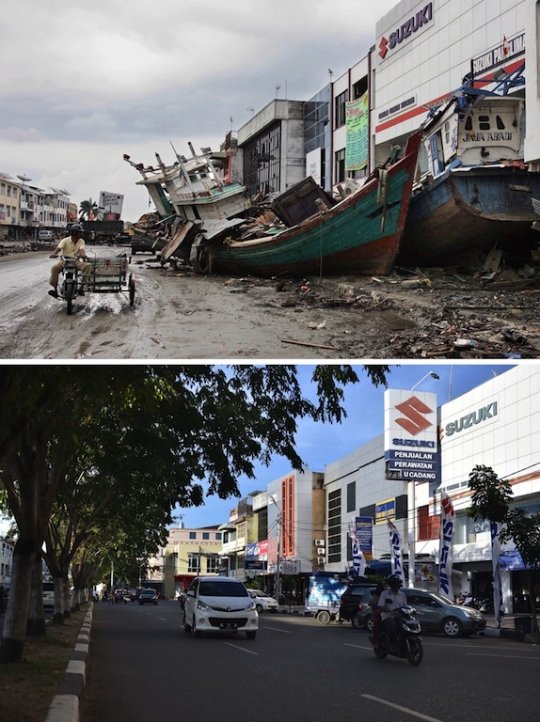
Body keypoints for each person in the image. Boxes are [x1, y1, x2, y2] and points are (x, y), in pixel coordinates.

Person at [48, 223, 91, 298]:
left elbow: (82, 249)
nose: (81, 233)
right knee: (54, 268)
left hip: (76, 261)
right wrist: (53, 254)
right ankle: (55, 290)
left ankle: (81, 288)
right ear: (74, 232)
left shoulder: (81, 241)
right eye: (79, 232)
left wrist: (83, 255)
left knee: (88, 266)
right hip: (64, 261)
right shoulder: (65, 240)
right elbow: (58, 249)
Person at [379, 574, 407, 647]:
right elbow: (381, 606)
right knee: (392, 624)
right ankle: (392, 643)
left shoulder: (402, 595)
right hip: (388, 617)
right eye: (394, 583)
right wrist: (388, 610)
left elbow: (405, 607)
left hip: (400, 617)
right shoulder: (384, 594)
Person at [369, 581, 386, 649]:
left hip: (386, 613)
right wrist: (378, 610)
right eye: (384, 585)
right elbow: (372, 604)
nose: (386, 587)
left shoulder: (387, 594)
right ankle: (376, 642)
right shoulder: (377, 595)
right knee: (377, 626)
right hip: (377, 613)